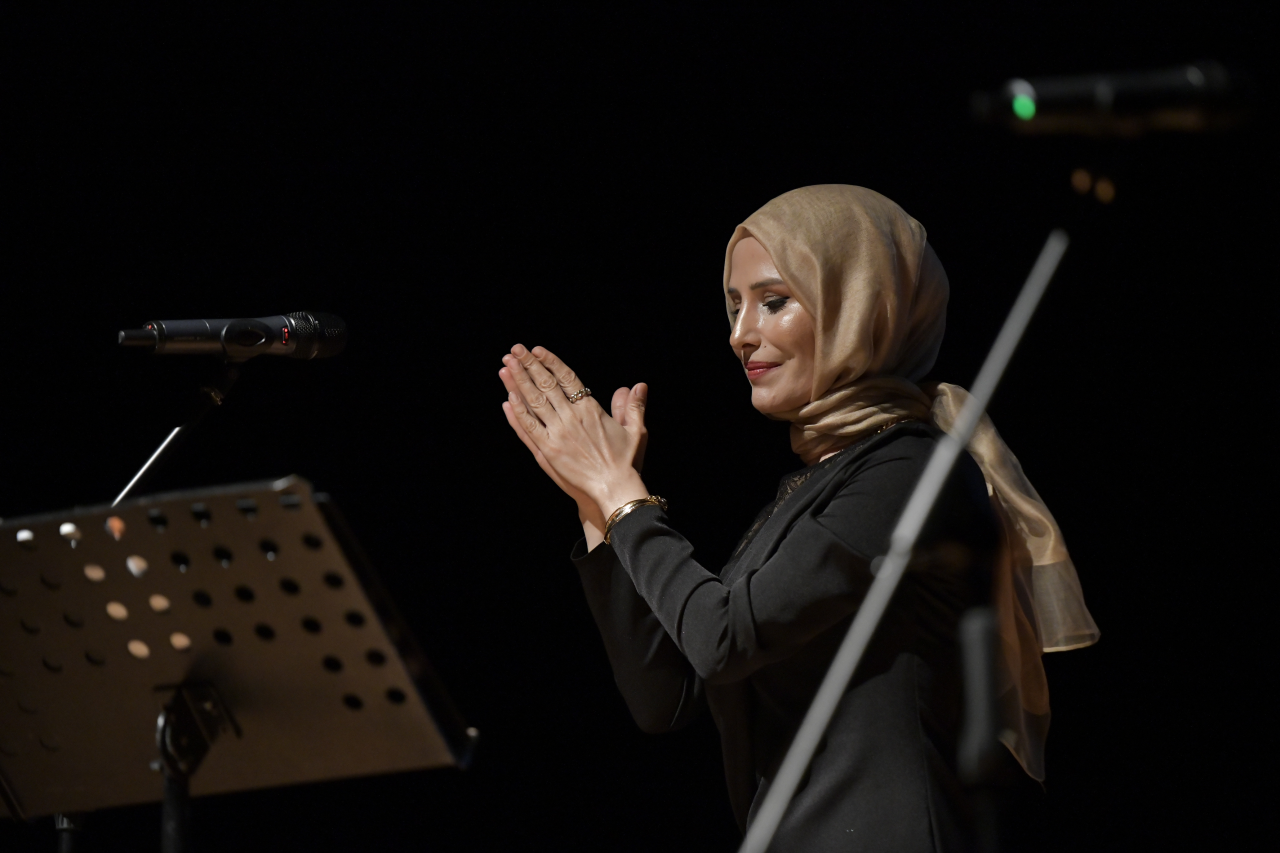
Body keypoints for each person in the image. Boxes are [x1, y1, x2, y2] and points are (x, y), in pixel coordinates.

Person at [497, 185, 1098, 851]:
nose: (739, 333)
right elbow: (665, 694)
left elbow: (722, 637)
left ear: (863, 303)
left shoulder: (910, 471)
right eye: (733, 307)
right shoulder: (814, 486)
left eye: (773, 301)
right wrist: (593, 499)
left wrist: (621, 493)